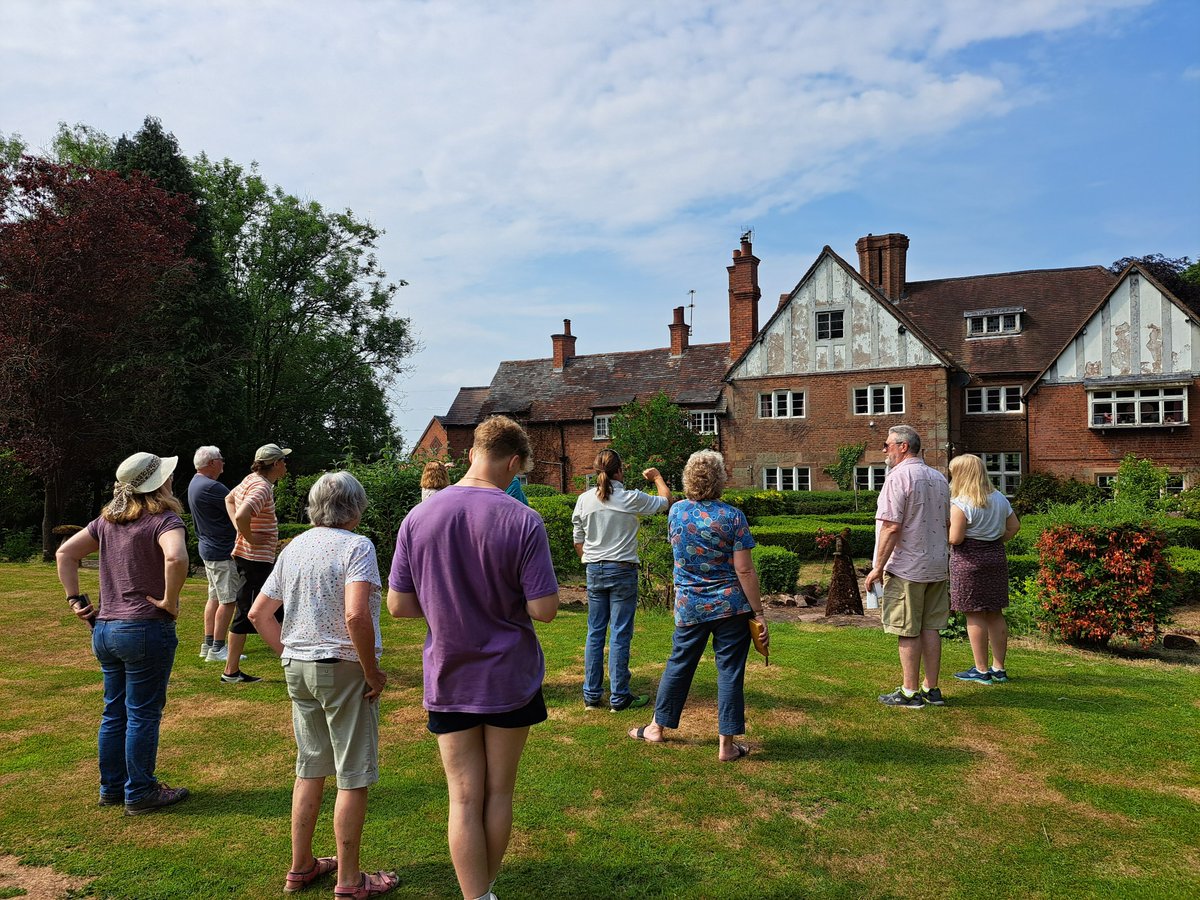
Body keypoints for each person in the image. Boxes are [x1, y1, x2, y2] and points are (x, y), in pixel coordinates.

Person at [387, 416, 558, 900]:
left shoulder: (418, 517)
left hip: (449, 673)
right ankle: (484, 893)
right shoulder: (522, 519)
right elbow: (544, 610)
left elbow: (398, 605)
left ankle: (476, 896)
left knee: (462, 797)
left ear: (469, 455)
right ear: (513, 462)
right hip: (509, 677)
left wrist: (446, 602)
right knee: (498, 792)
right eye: (517, 472)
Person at [249, 472, 397, 899]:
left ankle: (301, 867)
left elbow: (260, 614)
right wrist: (371, 671)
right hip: (342, 667)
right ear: (355, 507)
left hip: (298, 666)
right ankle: (350, 881)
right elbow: (356, 615)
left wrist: (290, 653)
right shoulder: (357, 546)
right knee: (353, 774)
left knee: (310, 767)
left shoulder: (295, 546)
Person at [56, 452, 190, 814]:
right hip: (145, 627)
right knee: (143, 713)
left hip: (106, 629)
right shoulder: (165, 520)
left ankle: (112, 787)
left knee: (114, 713)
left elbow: (65, 553)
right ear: (159, 483)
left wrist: (75, 600)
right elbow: (176, 558)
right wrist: (169, 600)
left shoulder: (105, 522)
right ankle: (141, 792)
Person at [628, 449, 767, 762]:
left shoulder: (677, 512)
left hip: (689, 604)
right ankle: (726, 746)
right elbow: (744, 570)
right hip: (731, 606)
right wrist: (759, 612)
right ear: (720, 479)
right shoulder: (733, 517)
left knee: (680, 664)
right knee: (729, 672)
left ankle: (656, 728)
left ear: (688, 479)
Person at [572, 448, 671, 711]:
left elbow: (578, 539)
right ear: (619, 470)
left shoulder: (584, 500)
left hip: (595, 569)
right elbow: (665, 502)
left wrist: (590, 558)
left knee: (595, 632)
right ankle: (619, 696)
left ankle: (591, 696)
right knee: (619, 633)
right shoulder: (630, 498)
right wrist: (657, 477)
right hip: (622, 569)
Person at [865, 425, 951, 709]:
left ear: (903, 446)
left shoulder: (898, 477)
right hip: (937, 564)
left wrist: (877, 567)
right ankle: (932, 688)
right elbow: (947, 522)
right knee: (930, 627)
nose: (884, 450)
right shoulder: (939, 478)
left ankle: (910, 692)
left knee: (908, 628)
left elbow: (891, 526)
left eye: (887, 444)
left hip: (908, 566)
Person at [948, 454, 1021, 685]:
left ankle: (980, 670)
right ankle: (998, 668)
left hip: (969, 561)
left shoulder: (961, 503)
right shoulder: (999, 498)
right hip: (995, 557)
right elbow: (1015, 526)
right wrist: (997, 539)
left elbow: (956, 539)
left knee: (974, 613)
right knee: (995, 612)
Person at [223, 442, 291, 684]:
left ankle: (292, 659)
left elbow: (229, 500)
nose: (285, 465)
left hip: (253, 558)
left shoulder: (250, 479)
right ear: (274, 464)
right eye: (283, 461)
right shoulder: (261, 487)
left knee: (276, 607)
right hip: (254, 559)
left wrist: (240, 531)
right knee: (249, 612)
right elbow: (241, 514)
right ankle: (231, 671)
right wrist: (249, 536)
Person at [187, 446, 243, 663]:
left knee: (214, 597)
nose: (223, 463)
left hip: (209, 548)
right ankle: (218, 649)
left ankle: (208, 644)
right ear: (211, 463)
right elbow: (240, 508)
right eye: (221, 459)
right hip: (221, 551)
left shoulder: (195, 483)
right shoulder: (213, 487)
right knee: (228, 600)